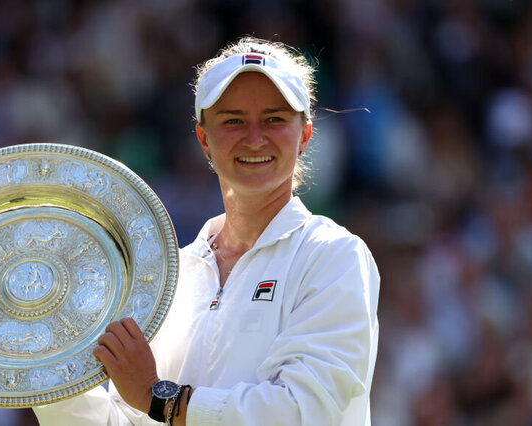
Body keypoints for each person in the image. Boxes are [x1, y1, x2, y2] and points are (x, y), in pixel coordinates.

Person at [33, 36, 380, 426]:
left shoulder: (334, 255)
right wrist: (43, 366)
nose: (254, 137)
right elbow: (131, 418)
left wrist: (158, 397)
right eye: (233, 120)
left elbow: (304, 412)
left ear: (304, 135)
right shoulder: (169, 276)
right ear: (204, 140)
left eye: (275, 119)